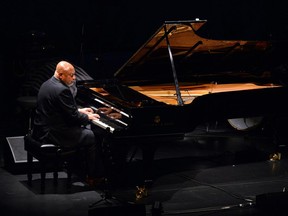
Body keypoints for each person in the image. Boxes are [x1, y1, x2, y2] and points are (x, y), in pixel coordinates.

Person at [31, 60, 104, 186]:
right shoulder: (62, 90)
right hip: (53, 133)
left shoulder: (47, 84)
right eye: (71, 75)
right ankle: (94, 176)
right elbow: (73, 117)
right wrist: (89, 117)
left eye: (74, 74)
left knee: (84, 131)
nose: (74, 78)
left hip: (42, 129)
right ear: (60, 75)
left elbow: (61, 109)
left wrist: (80, 110)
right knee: (91, 136)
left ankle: (80, 168)